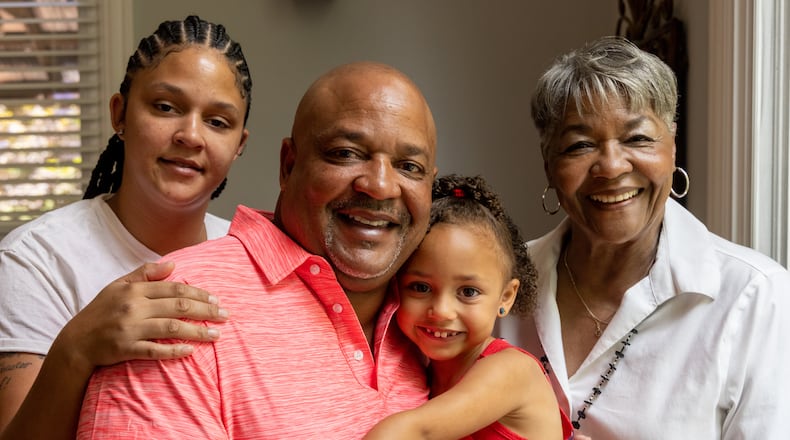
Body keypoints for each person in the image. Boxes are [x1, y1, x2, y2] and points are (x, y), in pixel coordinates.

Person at [76, 61, 438, 438]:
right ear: (288, 166)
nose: (380, 186)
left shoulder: (438, 311)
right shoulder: (178, 308)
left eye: (409, 167)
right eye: (346, 154)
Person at [495, 36, 790, 439]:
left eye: (638, 139)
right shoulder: (499, 279)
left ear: (673, 148)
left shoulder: (754, 296)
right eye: (580, 145)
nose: (612, 167)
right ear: (549, 165)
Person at [0, 15, 252, 439]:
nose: (191, 135)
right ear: (120, 114)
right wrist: (78, 348)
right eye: (166, 107)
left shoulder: (248, 256)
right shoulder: (36, 260)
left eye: (217, 122)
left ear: (239, 144)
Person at [364, 174, 572, 440]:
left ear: (506, 297)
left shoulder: (512, 370)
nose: (441, 311)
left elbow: (417, 431)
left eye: (468, 292)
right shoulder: (417, 371)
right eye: (420, 287)